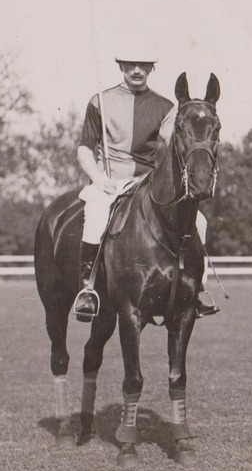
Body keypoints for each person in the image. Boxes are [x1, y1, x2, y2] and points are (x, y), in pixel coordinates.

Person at [72, 56, 218, 323]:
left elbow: (174, 144)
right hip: (109, 180)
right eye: (130, 64)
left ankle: (198, 291)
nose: (136, 70)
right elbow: (84, 147)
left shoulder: (165, 107)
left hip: (144, 180)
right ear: (121, 67)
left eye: (143, 65)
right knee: (95, 213)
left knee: (200, 220)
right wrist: (96, 176)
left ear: (152, 68)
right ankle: (88, 289)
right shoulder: (100, 101)